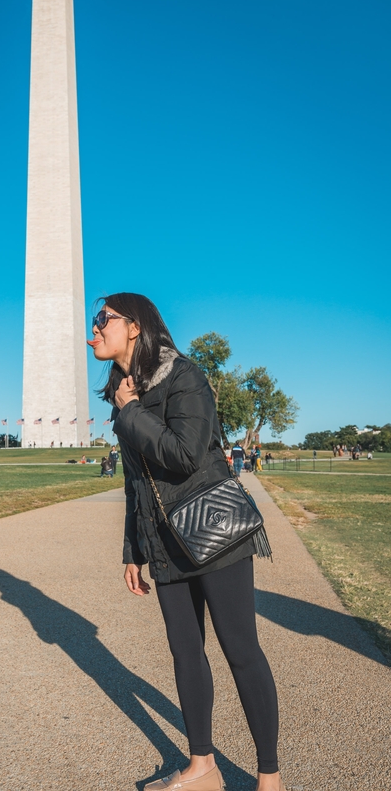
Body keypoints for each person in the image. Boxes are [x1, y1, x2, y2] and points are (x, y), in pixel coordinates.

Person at [88, 293, 283, 791]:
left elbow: (183, 455)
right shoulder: (122, 390)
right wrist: (132, 549)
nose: (94, 328)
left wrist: (130, 413)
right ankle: (202, 767)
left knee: (240, 649)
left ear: (133, 327)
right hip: (163, 543)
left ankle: (269, 778)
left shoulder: (184, 377)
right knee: (185, 653)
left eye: (102, 318)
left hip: (213, 530)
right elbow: (138, 481)